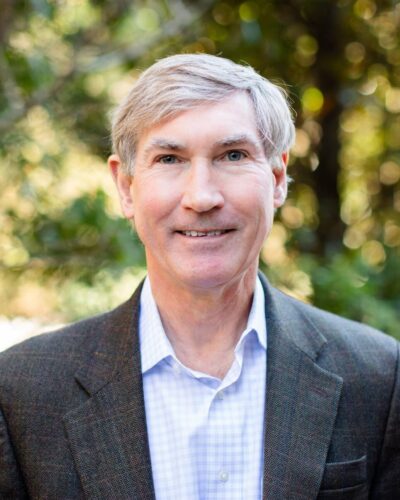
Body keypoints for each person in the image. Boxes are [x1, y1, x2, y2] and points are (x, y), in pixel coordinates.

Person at [0, 53, 399, 500]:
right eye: (170, 159)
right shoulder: (21, 392)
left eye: (232, 155)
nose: (202, 196)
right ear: (126, 187)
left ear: (278, 177)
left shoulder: (379, 378)